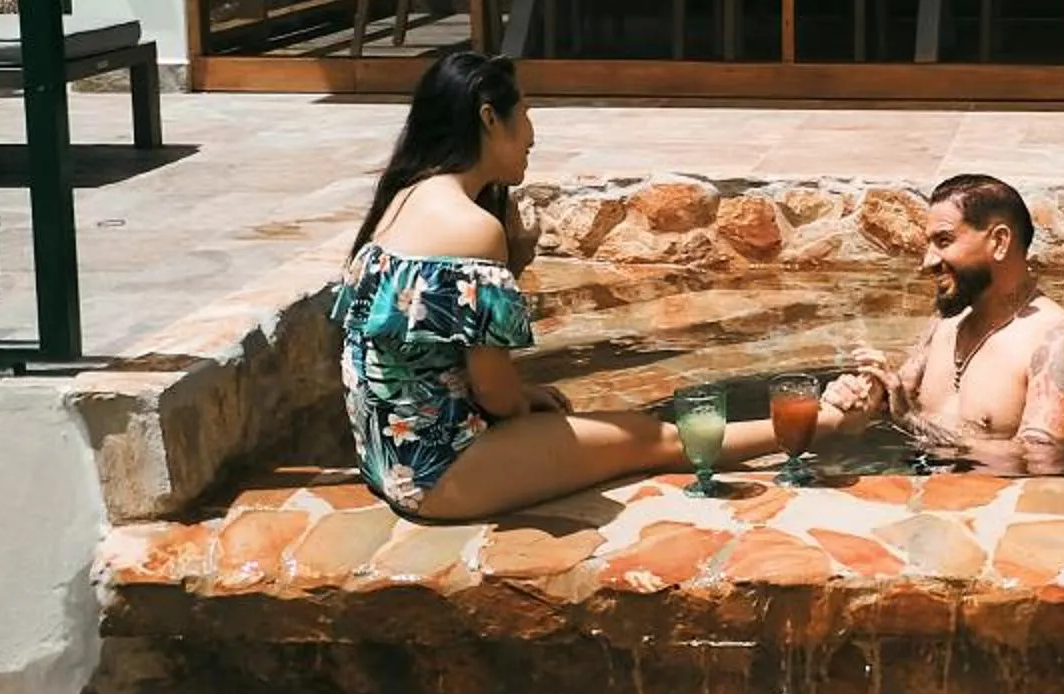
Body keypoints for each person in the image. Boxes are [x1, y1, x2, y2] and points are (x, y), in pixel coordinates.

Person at [336, 51, 853, 521]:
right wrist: (520, 408)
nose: (532, 133)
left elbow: (433, 366)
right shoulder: (472, 228)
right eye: (526, 111)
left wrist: (526, 399)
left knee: (608, 428)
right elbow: (494, 393)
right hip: (443, 477)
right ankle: (822, 423)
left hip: (391, 462)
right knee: (651, 438)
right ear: (490, 118)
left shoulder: (399, 201)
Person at [827, 173, 1064, 473]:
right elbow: (897, 393)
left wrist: (911, 422)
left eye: (944, 241)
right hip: (923, 487)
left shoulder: (1060, 344)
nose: (928, 262)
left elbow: (1042, 461)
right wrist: (859, 392)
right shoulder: (946, 321)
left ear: (999, 242)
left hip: (998, 498)